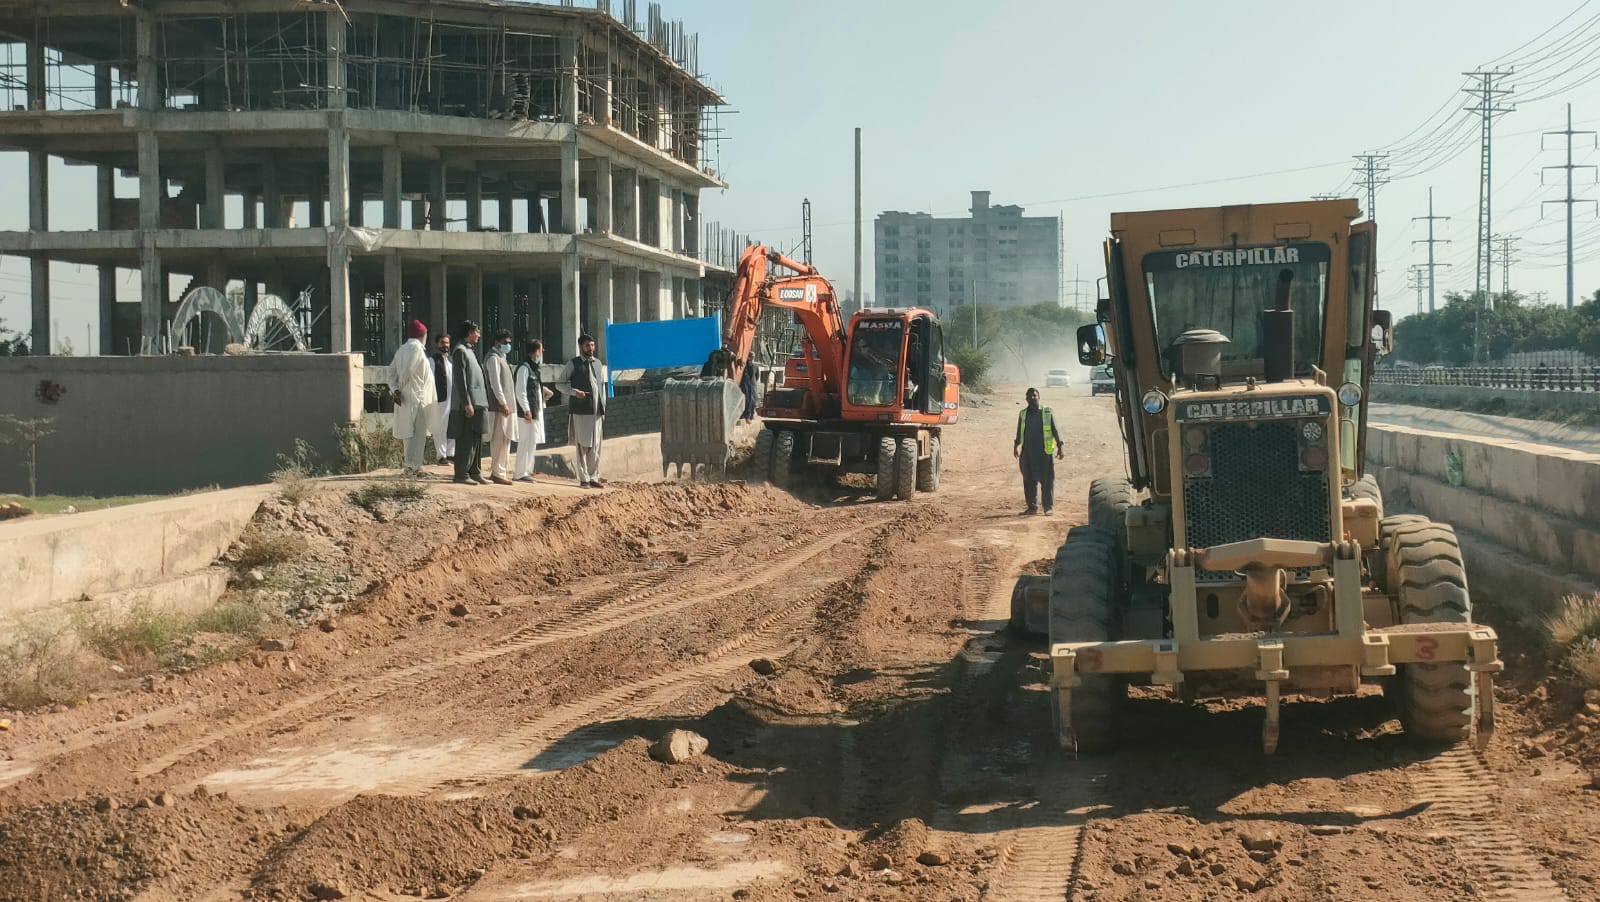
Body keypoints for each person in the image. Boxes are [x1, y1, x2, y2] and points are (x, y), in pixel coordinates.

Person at [555, 333, 608, 488]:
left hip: (597, 412)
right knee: (583, 445)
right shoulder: (573, 364)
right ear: (580, 347)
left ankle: (594, 477)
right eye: (587, 346)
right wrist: (574, 392)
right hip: (581, 411)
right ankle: (584, 478)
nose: (590, 348)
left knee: (596, 446)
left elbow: (601, 387)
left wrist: (603, 408)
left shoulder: (598, 363)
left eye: (592, 345)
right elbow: (560, 384)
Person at [386, 319, 433, 475]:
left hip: (406, 397)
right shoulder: (416, 349)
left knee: (409, 432)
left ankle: (411, 465)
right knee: (417, 433)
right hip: (416, 397)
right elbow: (408, 370)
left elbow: (390, 372)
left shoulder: (402, 349)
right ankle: (413, 467)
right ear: (422, 335)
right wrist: (398, 388)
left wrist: (394, 389)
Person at [448, 320, 491, 485]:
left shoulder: (470, 351)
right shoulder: (460, 351)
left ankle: (475, 471)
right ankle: (461, 474)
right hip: (468, 404)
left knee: (476, 438)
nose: (479, 335)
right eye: (477, 332)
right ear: (470, 333)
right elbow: (460, 380)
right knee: (466, 439)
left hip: (478, 402)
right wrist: (466, 403)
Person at [1013, 386, 1064, 515]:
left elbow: (1055, 429)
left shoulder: (1047, 412)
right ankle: (1032, 507)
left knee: (1047, 480)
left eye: (1035, 395)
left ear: (1039, 397)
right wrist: (1015, 446)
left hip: (1044, 452)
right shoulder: (1023, 414)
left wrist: (1060, 446)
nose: (1032, 397)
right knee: (1028, 480)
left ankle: (1048, 507)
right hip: (1027, 452)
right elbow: (1019, 431)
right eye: (1030, 396)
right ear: (1026, 398)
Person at [513, 338, 551, 481]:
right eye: (541, 349)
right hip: (527, 414)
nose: (542, 352)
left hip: (535, 411)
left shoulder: (534, 368)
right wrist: (526, 409)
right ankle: (519, 473)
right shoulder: (524, 368)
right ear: (536, 351)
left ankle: (526, 471)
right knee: (525, 442)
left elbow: (535, 388)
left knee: (532, 442)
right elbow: (520, 391)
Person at [484, 328, 517, 485]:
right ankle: (497, 472)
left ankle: (501, 471)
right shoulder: (493, 359)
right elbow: (495, 384)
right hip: (499, 407)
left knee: (506, 439)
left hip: (508, 406)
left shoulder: (501, 358)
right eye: (505, 343)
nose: (508, 345)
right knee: (498, 439)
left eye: (509, 343)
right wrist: (503, 402)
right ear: (497, 342)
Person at [429, 332, 455, 465]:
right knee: (440, 427)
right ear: (437, 344)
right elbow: (430, 381)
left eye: (447, 343)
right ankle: (441, 456)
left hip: (453, 398)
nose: (445, 345)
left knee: (452, 426)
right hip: (441, 399)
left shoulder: (451, 360)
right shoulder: (432, 360)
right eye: (442, 343)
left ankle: (451, 454)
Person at [738, 357, 759, 421]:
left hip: (748, 384)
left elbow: (756, 376)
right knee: (749, 399)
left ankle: (748, 416)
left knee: (750, 400)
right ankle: (747, 416)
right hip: (746, 383)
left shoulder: (753, 366)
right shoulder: (749, 366)